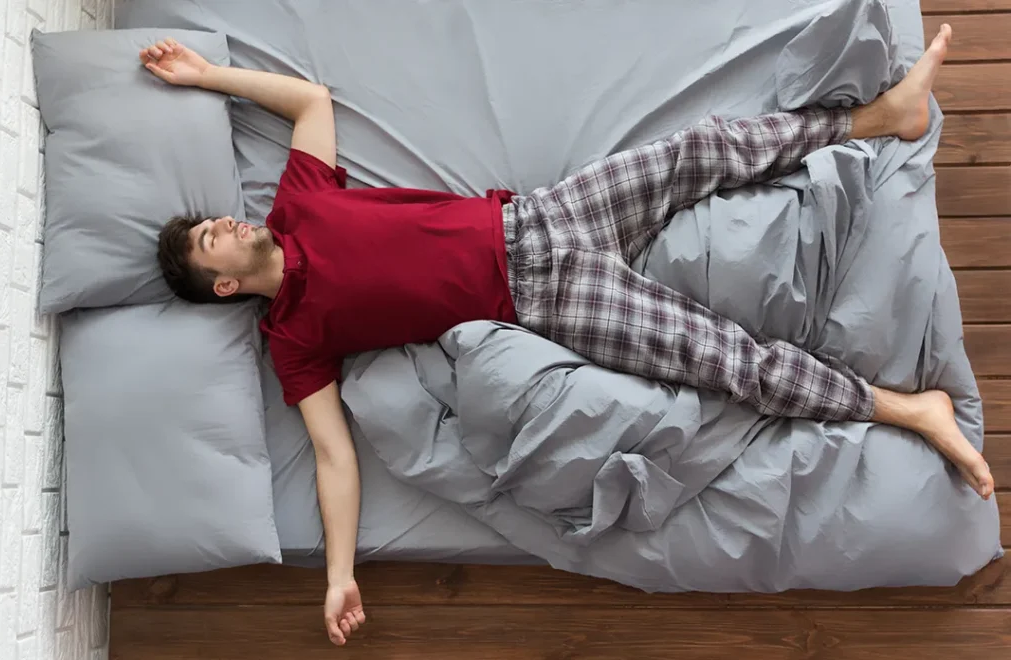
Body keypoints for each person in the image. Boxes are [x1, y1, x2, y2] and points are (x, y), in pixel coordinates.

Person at [141, 23, 991, 647]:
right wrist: (338, 576)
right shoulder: (292, 340)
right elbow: (332, 457)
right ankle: (902, 409)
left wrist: (207, 74)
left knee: (702, 149)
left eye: (215, 217)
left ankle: (881, 119)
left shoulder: (298, 201)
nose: (225, 220)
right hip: (547, 297)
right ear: (222, 283)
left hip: (542, 215)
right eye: (210, 237)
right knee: (719, 360)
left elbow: (309, 99)